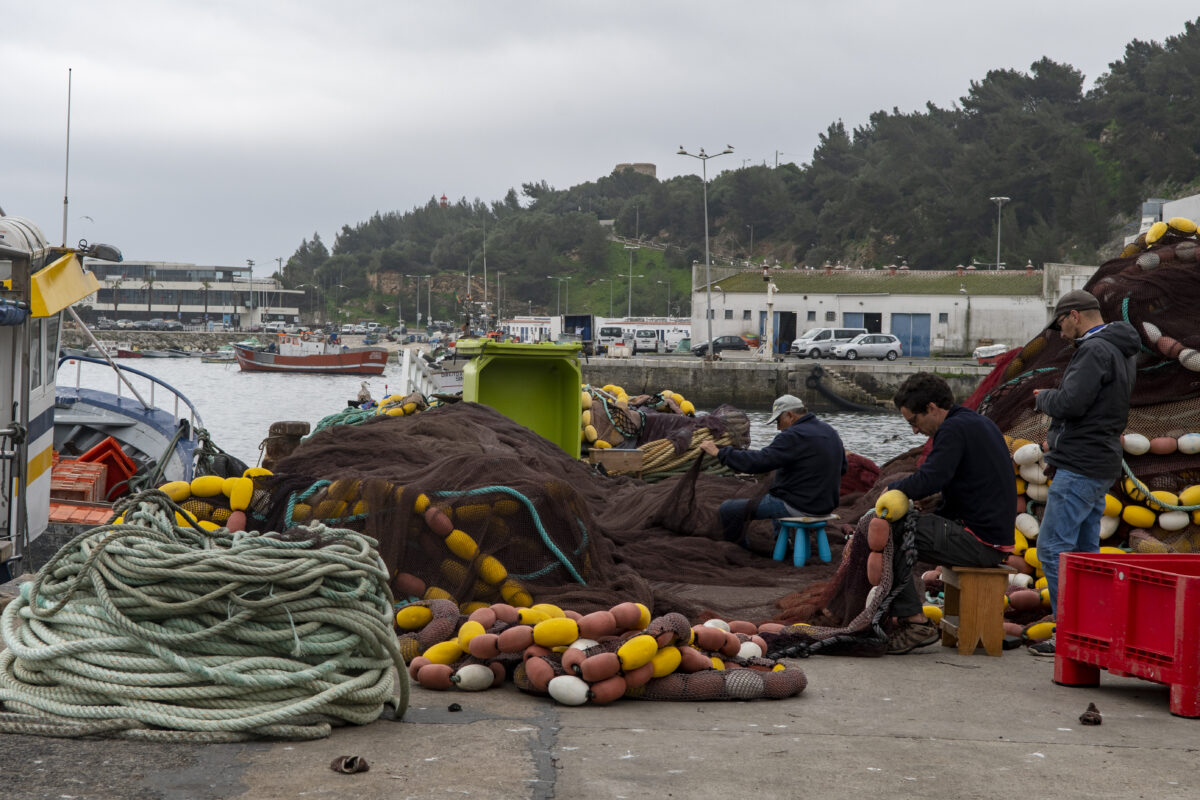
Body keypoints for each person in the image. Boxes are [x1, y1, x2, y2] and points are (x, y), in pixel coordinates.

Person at [1028, 289, 1138, 657]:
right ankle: (1092, 632)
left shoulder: (1093, 350)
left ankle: (1070, 633)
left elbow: (1072, 403)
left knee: (1051, 548)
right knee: (1085, 552)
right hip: (1102, 461)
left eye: (1061, 324)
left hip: (1080, 463)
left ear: (1074, 315)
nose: (1061, 333)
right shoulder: (1122, 349)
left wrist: (1043, 397)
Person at [881, 372, 1016, 655]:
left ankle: (914, 622)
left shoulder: (953, 430)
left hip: (981, 544)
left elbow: (931, 478)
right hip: (989, 538)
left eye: (914, 422)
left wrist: (892, 490)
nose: (915, 431)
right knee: (904, 526)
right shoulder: (974, 422)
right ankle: (909, 615)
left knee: (892, 531)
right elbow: (960, 489)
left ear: (931, 408)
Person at [698, 394, 846, 548]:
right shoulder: (830, 432)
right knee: (776, 493)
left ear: (789, 415)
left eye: (778, 421)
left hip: (800, 506)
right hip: (826, 506)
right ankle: (784, 541)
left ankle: (740, 550)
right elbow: (843, 468)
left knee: (729, 509)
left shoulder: (792, 435)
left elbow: (759, 462)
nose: (778, 427)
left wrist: (719, 453)